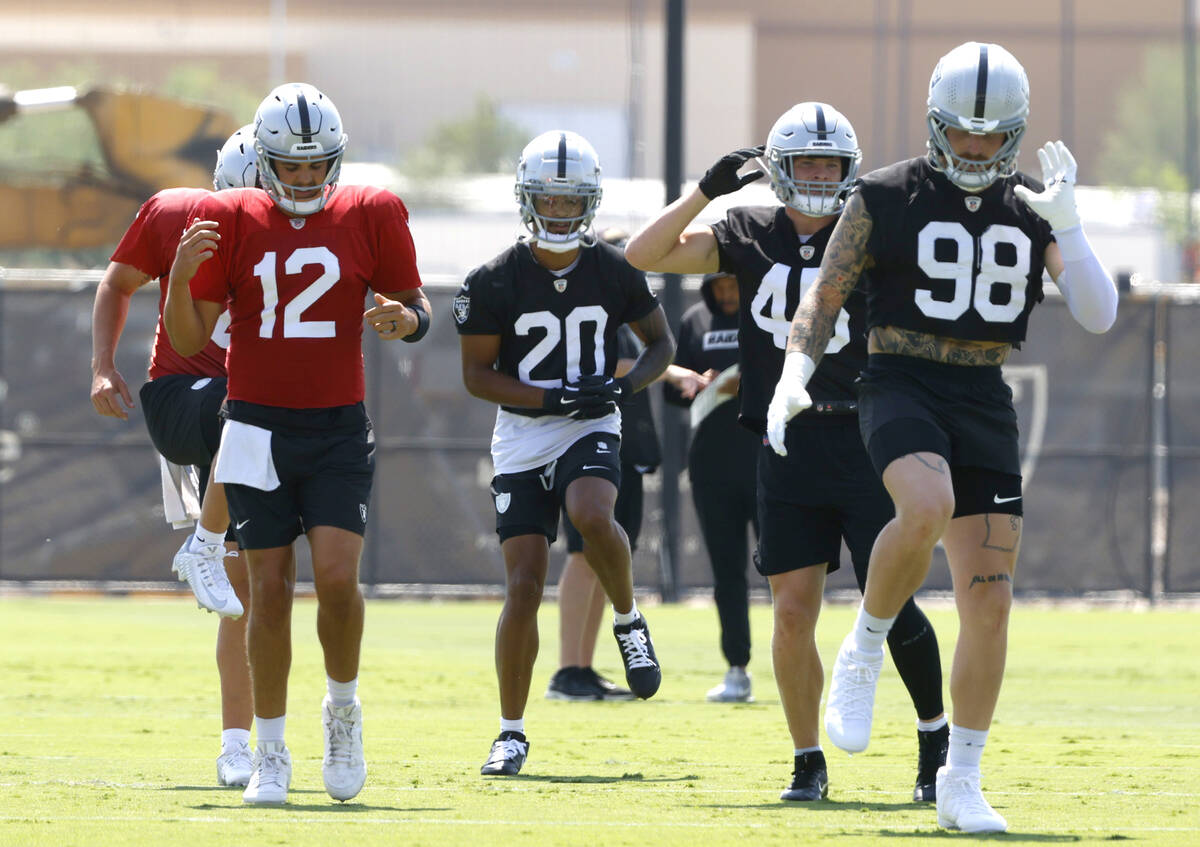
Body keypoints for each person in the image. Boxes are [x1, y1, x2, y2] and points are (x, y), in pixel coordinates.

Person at [767, 43, 1117, 833]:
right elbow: (826, 293)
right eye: (961, 134)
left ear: (1015, 134)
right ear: (935, 124)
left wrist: (1074, 226)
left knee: (988, 604)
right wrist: (796, 370)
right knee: (925, 502)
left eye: (992, 138)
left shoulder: (1033, 206)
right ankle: (864, 648)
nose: (975, 150)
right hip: (899, 381)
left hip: (983, 397)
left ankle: (962, 778)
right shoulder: (885, 194)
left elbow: (1098, 312)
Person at [625, 101, 949, 803]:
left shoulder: (871, 229)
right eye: (807, 162)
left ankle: (935, 738)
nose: (820, 175)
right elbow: (641, 256)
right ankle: (808, 759)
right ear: (779, 168)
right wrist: (705, 190)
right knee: (793, 610)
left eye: (832, 163)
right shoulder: (747, 230)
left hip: (866, 438)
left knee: (890, 600)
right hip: (785, 441)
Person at [163, 82, 430, 805]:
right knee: (269, 591)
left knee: (339, 579)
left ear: (336, 160)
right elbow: (190, 340)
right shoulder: (233, 215)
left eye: (318, 166)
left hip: (337, 425)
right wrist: (181, 278)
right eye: (293, 165)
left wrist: (407, 320)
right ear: (267, 160)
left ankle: (342, 709)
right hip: (253, 425)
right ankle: (271, 751)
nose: (307, 178)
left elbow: (417, 300)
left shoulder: (373, 209)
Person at [454, 130, 674, 776]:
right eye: (546, 201)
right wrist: (547, 398)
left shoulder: (612, 269)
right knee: (523, 586)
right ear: (527, 201)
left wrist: (623, 385)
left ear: (590, 202)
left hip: (592, 422)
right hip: (524, 432)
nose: (557, 213)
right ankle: (512, 732)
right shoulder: (493, 279)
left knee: (593, 514)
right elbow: (475, 374)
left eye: (569, 200)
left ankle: (629, 621)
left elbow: (659, 345)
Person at [89, 124, 260, 787]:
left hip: (266, 423)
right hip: (190, 399)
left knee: (254, 592)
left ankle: (242, 745)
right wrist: (103, 366)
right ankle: (204, 541)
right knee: (239, 404)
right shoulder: (176, 213)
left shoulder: (312, 235)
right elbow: (116, 281)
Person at [546, 228, 657, 704]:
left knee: (606, 559)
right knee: (583, 554)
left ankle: (583, 668)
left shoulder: (628, 313)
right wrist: (672, 368)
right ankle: (568, 668)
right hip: (591, 443)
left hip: (621, 448)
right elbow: (617, 367)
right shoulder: (595, 313)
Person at [659, 271, 759, 703]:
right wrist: (695, 383)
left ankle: (799, 661)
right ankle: (737, 668)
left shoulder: (766, 313)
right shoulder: (695, 320)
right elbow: (669, 393)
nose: (726, 292)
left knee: (788, 569)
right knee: (727, 572)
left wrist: (747, 385)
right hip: (711, 466)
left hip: (767, 461)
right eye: (718, 285)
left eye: (733, 283)